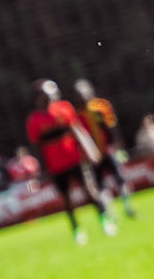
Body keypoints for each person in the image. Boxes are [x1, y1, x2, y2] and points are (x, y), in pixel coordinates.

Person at [24, 79, 115, 243]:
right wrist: (42, 170)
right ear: (39, 97)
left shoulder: (64, 108)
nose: (53, 95)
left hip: (75, 160)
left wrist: (90, 150)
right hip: (56, 167)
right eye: (49, 93)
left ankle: (105, 219)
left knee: (90, 191)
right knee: (67, 200)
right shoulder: (34, 120)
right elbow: (36, 147)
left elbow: (77, 130)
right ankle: (76, 229)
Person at [73, 78, 136, 220]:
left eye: (83, 93)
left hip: (107, 150)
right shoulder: (76, 115)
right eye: (78, 94)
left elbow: (112, 128)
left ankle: (128, 207)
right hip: (92, 156)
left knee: (119, 178)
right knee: (100, 184)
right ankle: (110, 212)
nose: (81, 97)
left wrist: (118, 148)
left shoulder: (101, 106)